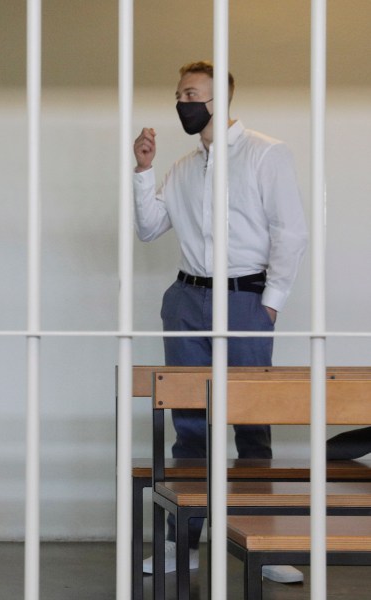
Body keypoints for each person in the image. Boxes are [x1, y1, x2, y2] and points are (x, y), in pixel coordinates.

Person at [133, 61, 308, 583]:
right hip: (187, 300)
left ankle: (264, 546)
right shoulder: (185, 166)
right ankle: (181, 546)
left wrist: (269, 302)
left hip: (245, 299)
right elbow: (149, 228)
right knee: (187, 424)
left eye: (192, 93)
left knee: (252, 422)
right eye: (180, 93)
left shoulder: (264, 153)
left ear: (220, 100)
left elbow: (290, 231)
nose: (182, 101)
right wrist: (143, 169)